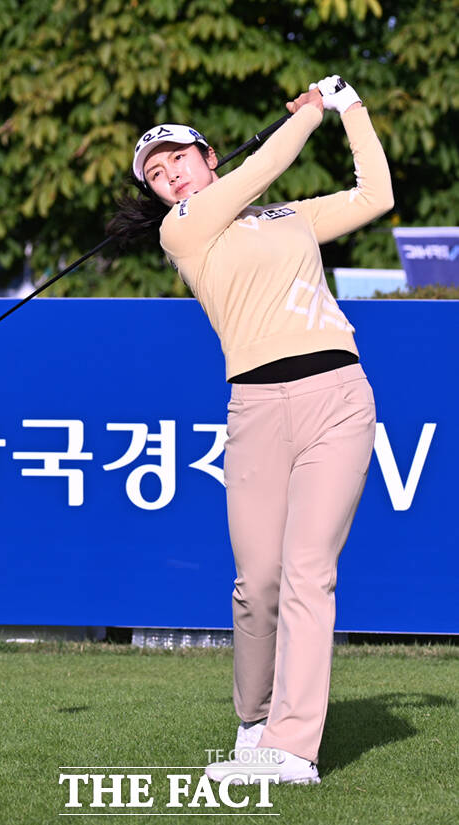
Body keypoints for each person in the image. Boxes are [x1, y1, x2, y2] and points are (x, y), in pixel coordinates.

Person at [111, 75, 393, 785]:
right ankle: (256, 718)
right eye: (155, 174)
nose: (170, 175)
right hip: (258, 408)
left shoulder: (288, 217)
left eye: (177, 158)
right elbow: (262, 167)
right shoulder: (184, 230)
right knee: (257, 583)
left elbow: (375, 196)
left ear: (207, 156)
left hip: (337, 397)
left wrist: (349, 108)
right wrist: (308, 114)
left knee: (307, 571)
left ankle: (293, 750)